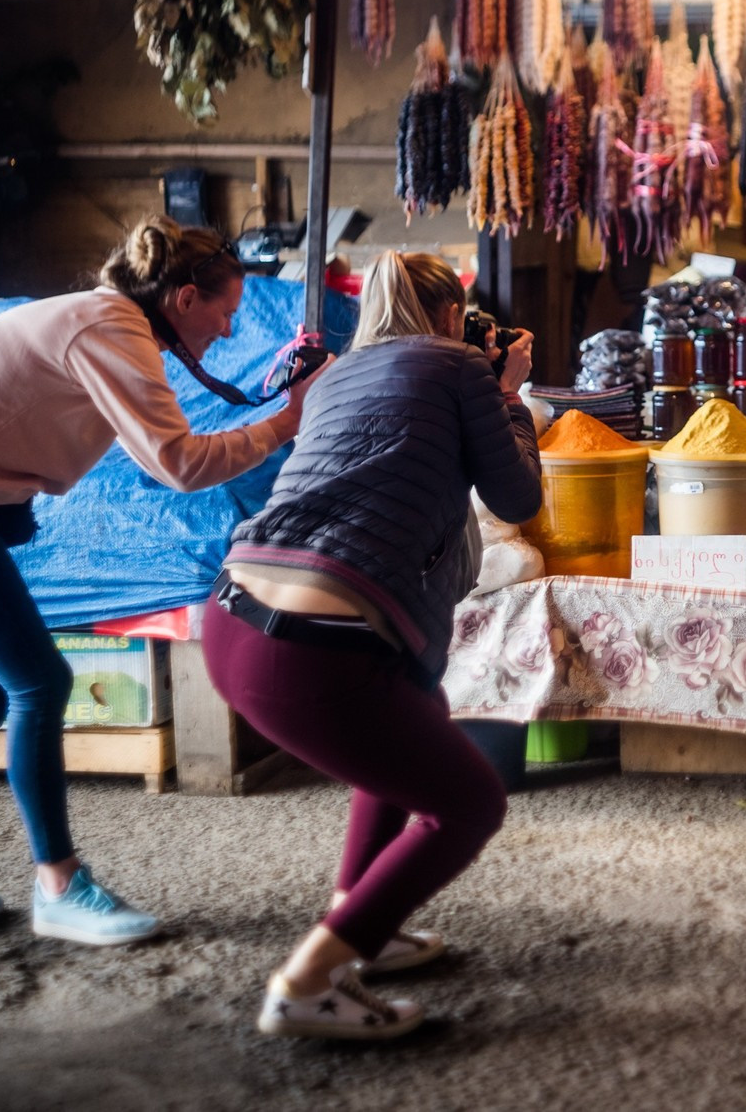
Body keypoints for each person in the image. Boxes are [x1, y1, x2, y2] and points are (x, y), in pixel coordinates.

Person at [0, 217, 316, 946]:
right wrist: (287, 421)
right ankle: (60, 886)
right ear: (184, 297)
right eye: (226, 314)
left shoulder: (112, 323)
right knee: (38, 683)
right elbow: (179, 466)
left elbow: (154, 455)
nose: (230, 333)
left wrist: (271, 407)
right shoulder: (113, 327)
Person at [203, 251, 542, 1040]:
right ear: (455, 316)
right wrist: (509, 392)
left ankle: (363, 922)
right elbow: (518, 495)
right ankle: (307, 979)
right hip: (314, 649)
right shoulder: (459, 365)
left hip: (234, 619)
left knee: (414, 716)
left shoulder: (334, 379)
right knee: (468, 802)